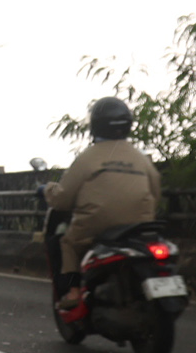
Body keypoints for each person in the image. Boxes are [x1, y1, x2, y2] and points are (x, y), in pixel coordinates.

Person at [45, 97, 161, 312]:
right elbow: (156, 191)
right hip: (140, 227)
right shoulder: (141, 158)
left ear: (95, 124)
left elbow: (63, 199)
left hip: (98, 226)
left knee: (68, 243)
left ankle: (73, 292)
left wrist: (47, 190)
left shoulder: (88, 157)